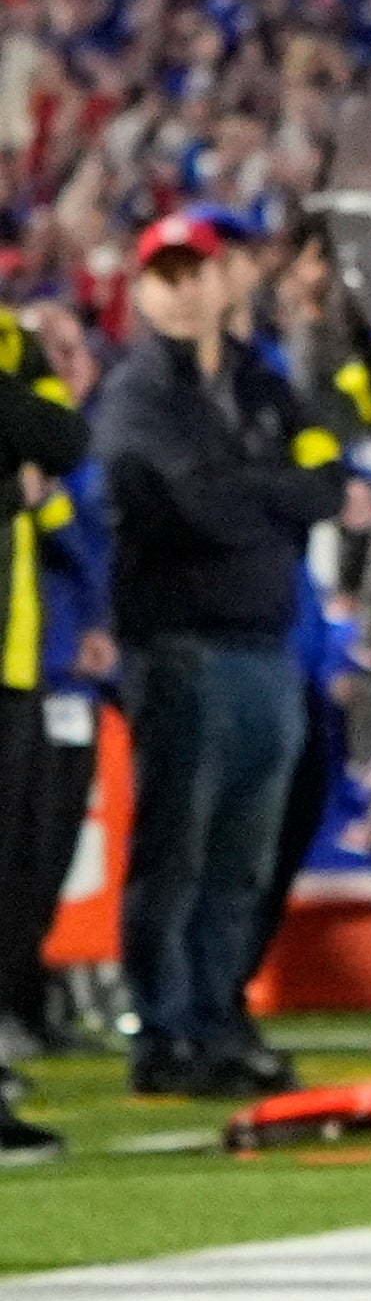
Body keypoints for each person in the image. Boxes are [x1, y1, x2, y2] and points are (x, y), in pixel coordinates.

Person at [98, 211, 364, 1098]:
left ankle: (217, 1018)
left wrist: (254, 496)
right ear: (142, 290)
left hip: (259, 637)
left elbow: (324, 484)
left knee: (240, 855)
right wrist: (275, 500)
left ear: (225, 282)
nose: (180, 289)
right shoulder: (137, 392)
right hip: (181, 639)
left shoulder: (259, 385)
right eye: (163, 274)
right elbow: (193, 507)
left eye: (194, 270)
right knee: (178, 845)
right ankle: (164, 1029)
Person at [0, 301, 96, 1092]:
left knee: (23, 855)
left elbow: (62, 442)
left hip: (27, 652)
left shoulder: (13, 339)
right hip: (37, 648)